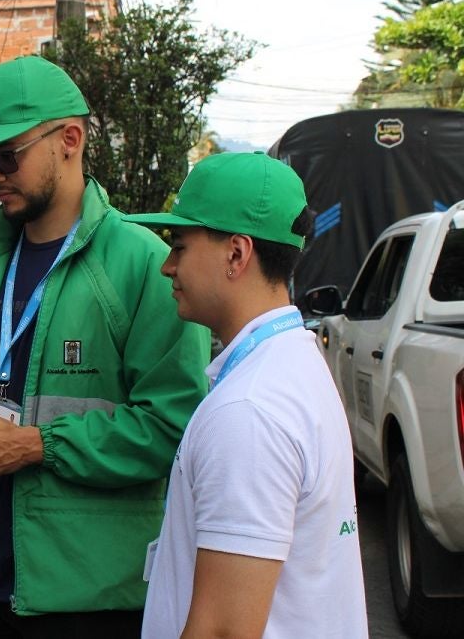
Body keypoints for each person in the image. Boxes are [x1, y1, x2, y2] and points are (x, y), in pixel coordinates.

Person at [0, 55, 211, 638]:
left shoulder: (143, 263)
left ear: (70, 138)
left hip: (91, 595)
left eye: (6, 156)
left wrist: (38, 445)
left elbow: (175, 428)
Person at [125, 152, 368, 638]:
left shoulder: (249, 411)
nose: (167, 267)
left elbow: (224, 631)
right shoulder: (291, 366)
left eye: (181, 246)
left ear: (237, 254)